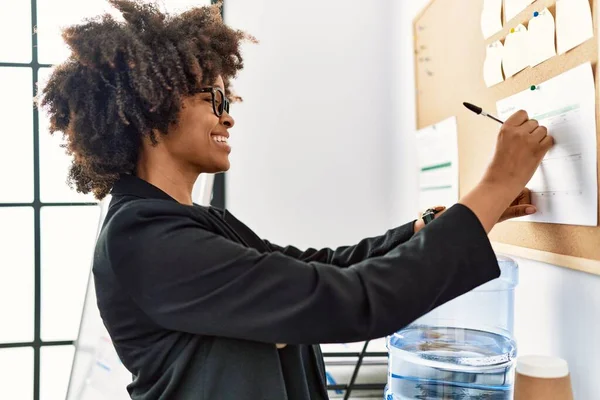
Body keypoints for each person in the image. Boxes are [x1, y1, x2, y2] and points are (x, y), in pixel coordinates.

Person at [38, 1, 553, 399]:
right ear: (148, 110)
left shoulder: (193, 222)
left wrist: (426, 227)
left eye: (227, 100)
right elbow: (343, 299)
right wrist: (490, 189)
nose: (228, 115)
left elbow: (314, 267)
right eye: (211, 99)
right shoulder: (145, 239)